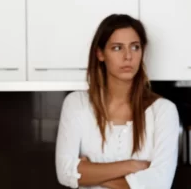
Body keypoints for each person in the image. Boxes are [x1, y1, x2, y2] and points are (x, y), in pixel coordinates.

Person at [55, 14, 180, 189]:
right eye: (117, 48)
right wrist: (132, 166)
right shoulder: (76, 104)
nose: (128, 56)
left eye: (135, 47)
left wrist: (88, 173)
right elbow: (65, 173)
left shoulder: (164, 111)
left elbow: (159, 184)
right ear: (100, 54)